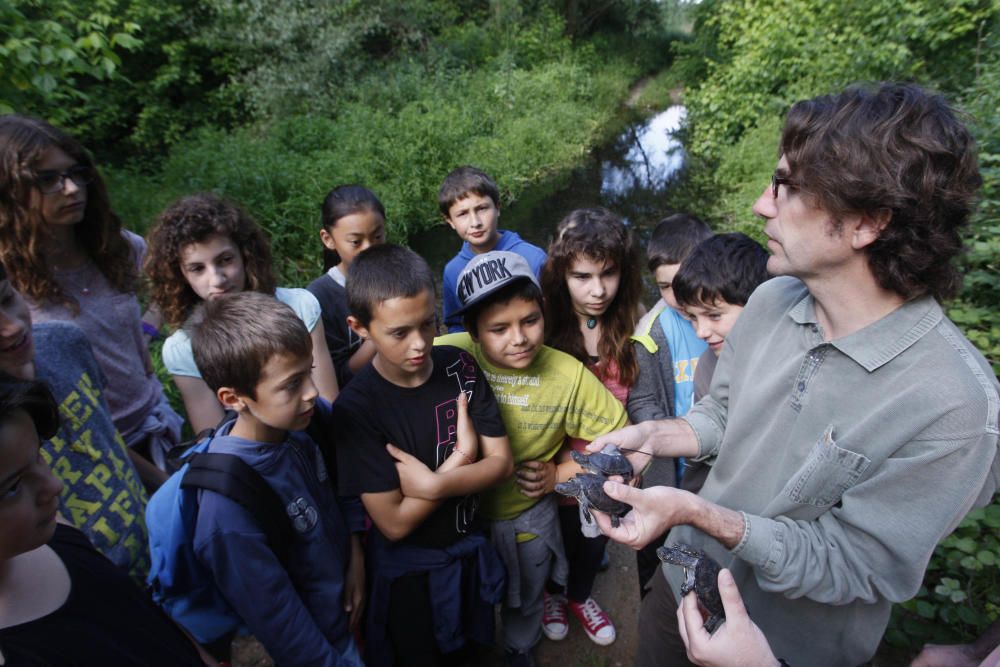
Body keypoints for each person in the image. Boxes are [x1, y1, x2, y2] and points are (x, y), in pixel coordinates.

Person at [587, 82, 1000, 666]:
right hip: (679, 594)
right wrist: (655, 436)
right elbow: (725, 413)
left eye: (786, 187)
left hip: (781, 648)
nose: (762, 204)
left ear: (866, 222)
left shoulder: (956, 407)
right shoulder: (773, 298)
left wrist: (697, 511)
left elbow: (856, 563)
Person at [436, 250, 628, 666]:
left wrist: (562, 470)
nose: (518, 338)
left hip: (525, 519)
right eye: (498, 328)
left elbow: (621, 440)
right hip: (458, 521)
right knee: (466, 596)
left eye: (529, 320)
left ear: (544, 311)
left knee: (524, 597)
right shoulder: (447, 357)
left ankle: (519, 646)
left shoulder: (567, 374)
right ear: (471, 330)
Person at [332, 244, 513, 666]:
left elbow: (502, 464)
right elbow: (393, 523)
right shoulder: (357, 410)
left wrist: (435, 482)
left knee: (473, 648)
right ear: (360, 328)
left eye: (428, 323)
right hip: (408, 574)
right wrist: (462, 459)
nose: (419, 344)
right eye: (399, 333)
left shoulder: (460, 367)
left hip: (469, 547)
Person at [0, 114, 181, 487]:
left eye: (75, 172)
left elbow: (165, 283)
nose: (70, 188)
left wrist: (145, 330)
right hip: (89, 458)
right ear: (9, 191)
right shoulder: (8, 290)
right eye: (48, 179)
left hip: (156, 424)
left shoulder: (114, 246)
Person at [185, 291, 365, 666]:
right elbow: (280, 623)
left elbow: (344, 475)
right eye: (291, 384)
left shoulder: (307, 422)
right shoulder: (225, 512)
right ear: (233, 398)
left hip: (356, 603)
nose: (312, 393)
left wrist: (356, 552)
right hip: (326, 645)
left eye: (310, 372)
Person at [0, 373, 211, 666]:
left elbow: (143, 615)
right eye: (12, 488)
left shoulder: (58, 532)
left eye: (39, 456)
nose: (53, 485)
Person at [529, 208, 642, 647]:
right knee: (554, 538)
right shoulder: (544, 325)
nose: (597, 290)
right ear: (561, 275)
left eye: (608, 274)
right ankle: (552, 596)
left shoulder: (632, 321)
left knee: (594, 541)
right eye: (582, 276)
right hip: (554, 464)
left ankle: (578, 596)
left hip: (609, 469)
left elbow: (645, 400)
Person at [0, 262, 150, 581]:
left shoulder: (65, 342)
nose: (11, 327)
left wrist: (167, 487)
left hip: (160, 547)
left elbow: (107, 436)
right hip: (99, 588)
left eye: (5, 299)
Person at [145, 192, 339, 434]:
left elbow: (328, 403)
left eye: (225, 260)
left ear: (245, 254)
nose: (216, 279)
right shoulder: (182, 347)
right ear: (180, 275)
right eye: (197, 269)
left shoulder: (299, 305)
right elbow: (211, 436)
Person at [627, 212, 712, 595]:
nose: (678, 297)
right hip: (671, 470)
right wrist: (657, 434)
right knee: (659, 559)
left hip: (719, 470)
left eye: (685, 282)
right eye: (664, 287)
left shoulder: (733, 315)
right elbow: (642, 396)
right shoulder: (651, 332)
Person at [672, 232, 770, 494]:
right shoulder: (708, 364)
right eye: (692, 318)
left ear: (759, 303)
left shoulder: (794, 354)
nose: (701, 332)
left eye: (714, 315)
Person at [439, 166, 546, 332]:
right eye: (463, 214)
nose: (475, 222)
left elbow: (555, 313)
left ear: (498, 208)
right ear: (450, 221)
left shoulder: (533, 258)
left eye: (482, 208)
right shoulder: (452, 271)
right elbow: (456, 324)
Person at [307, 184, 385, 387]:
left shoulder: (400, 273)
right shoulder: (318, 298)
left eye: (377, 237)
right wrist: (383, 330)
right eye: (356, 242)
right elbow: (339, 376)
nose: (369, 248)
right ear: (328, 239)